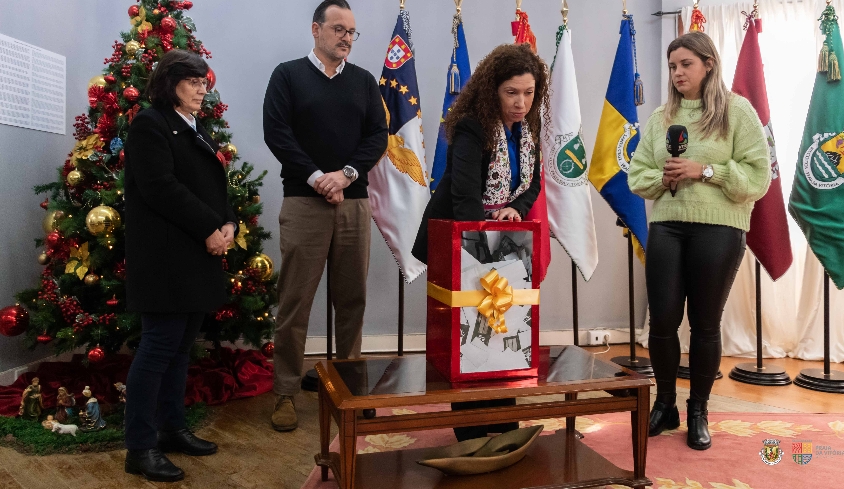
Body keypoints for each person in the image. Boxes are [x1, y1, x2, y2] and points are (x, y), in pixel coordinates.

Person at [627, 32, 770, 451]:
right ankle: (666, 404)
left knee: (705, 324)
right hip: (668, 226)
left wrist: (706, 172)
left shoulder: (738, 112)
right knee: (663, 321)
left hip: (720, 229)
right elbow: (638, 176)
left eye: (685, 64)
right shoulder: (660, 118)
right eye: (672, 66)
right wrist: (665, 178)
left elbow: (757, 179)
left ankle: (698, 410)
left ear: (708, 63)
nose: (677, 73)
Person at [411, 43, 547, 441]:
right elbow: (465, 196)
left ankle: (504, 425)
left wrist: (516, 210)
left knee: (505, 333)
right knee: (470, 337)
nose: (521, 103)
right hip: (462, 242)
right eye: (512, 93)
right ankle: (470, 433)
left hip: (508, 244)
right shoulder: (473, 126)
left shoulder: (529, 128)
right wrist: (484, 250)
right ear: (493, 91)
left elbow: (532, 184)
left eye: (528, 93)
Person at [263, 0, 387, 432]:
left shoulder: (364, 81)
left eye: (352, 32)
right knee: (295, 301)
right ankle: (285, 392)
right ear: (316, 30)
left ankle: (348, 388)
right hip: (304, 201)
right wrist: (318, 177)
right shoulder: (288, 75)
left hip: (353, 203)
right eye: (338, 29)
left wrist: (346, 174)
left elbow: (377, 135)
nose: (347, 38)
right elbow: (277, 132)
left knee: (352, 300)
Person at [124, 48, 237, 481]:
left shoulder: (195, 126)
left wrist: (227, 222)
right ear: (170, 83)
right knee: (157, 350)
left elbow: (214, 182)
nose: (202, 89)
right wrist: (210, 225)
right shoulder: (150, 124)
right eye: (193, 82)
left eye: (204, 82)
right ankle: (139, 446)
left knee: (179, 349)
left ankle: (171, 428)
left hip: (196, 254)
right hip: (166, 258)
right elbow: (159, 187)